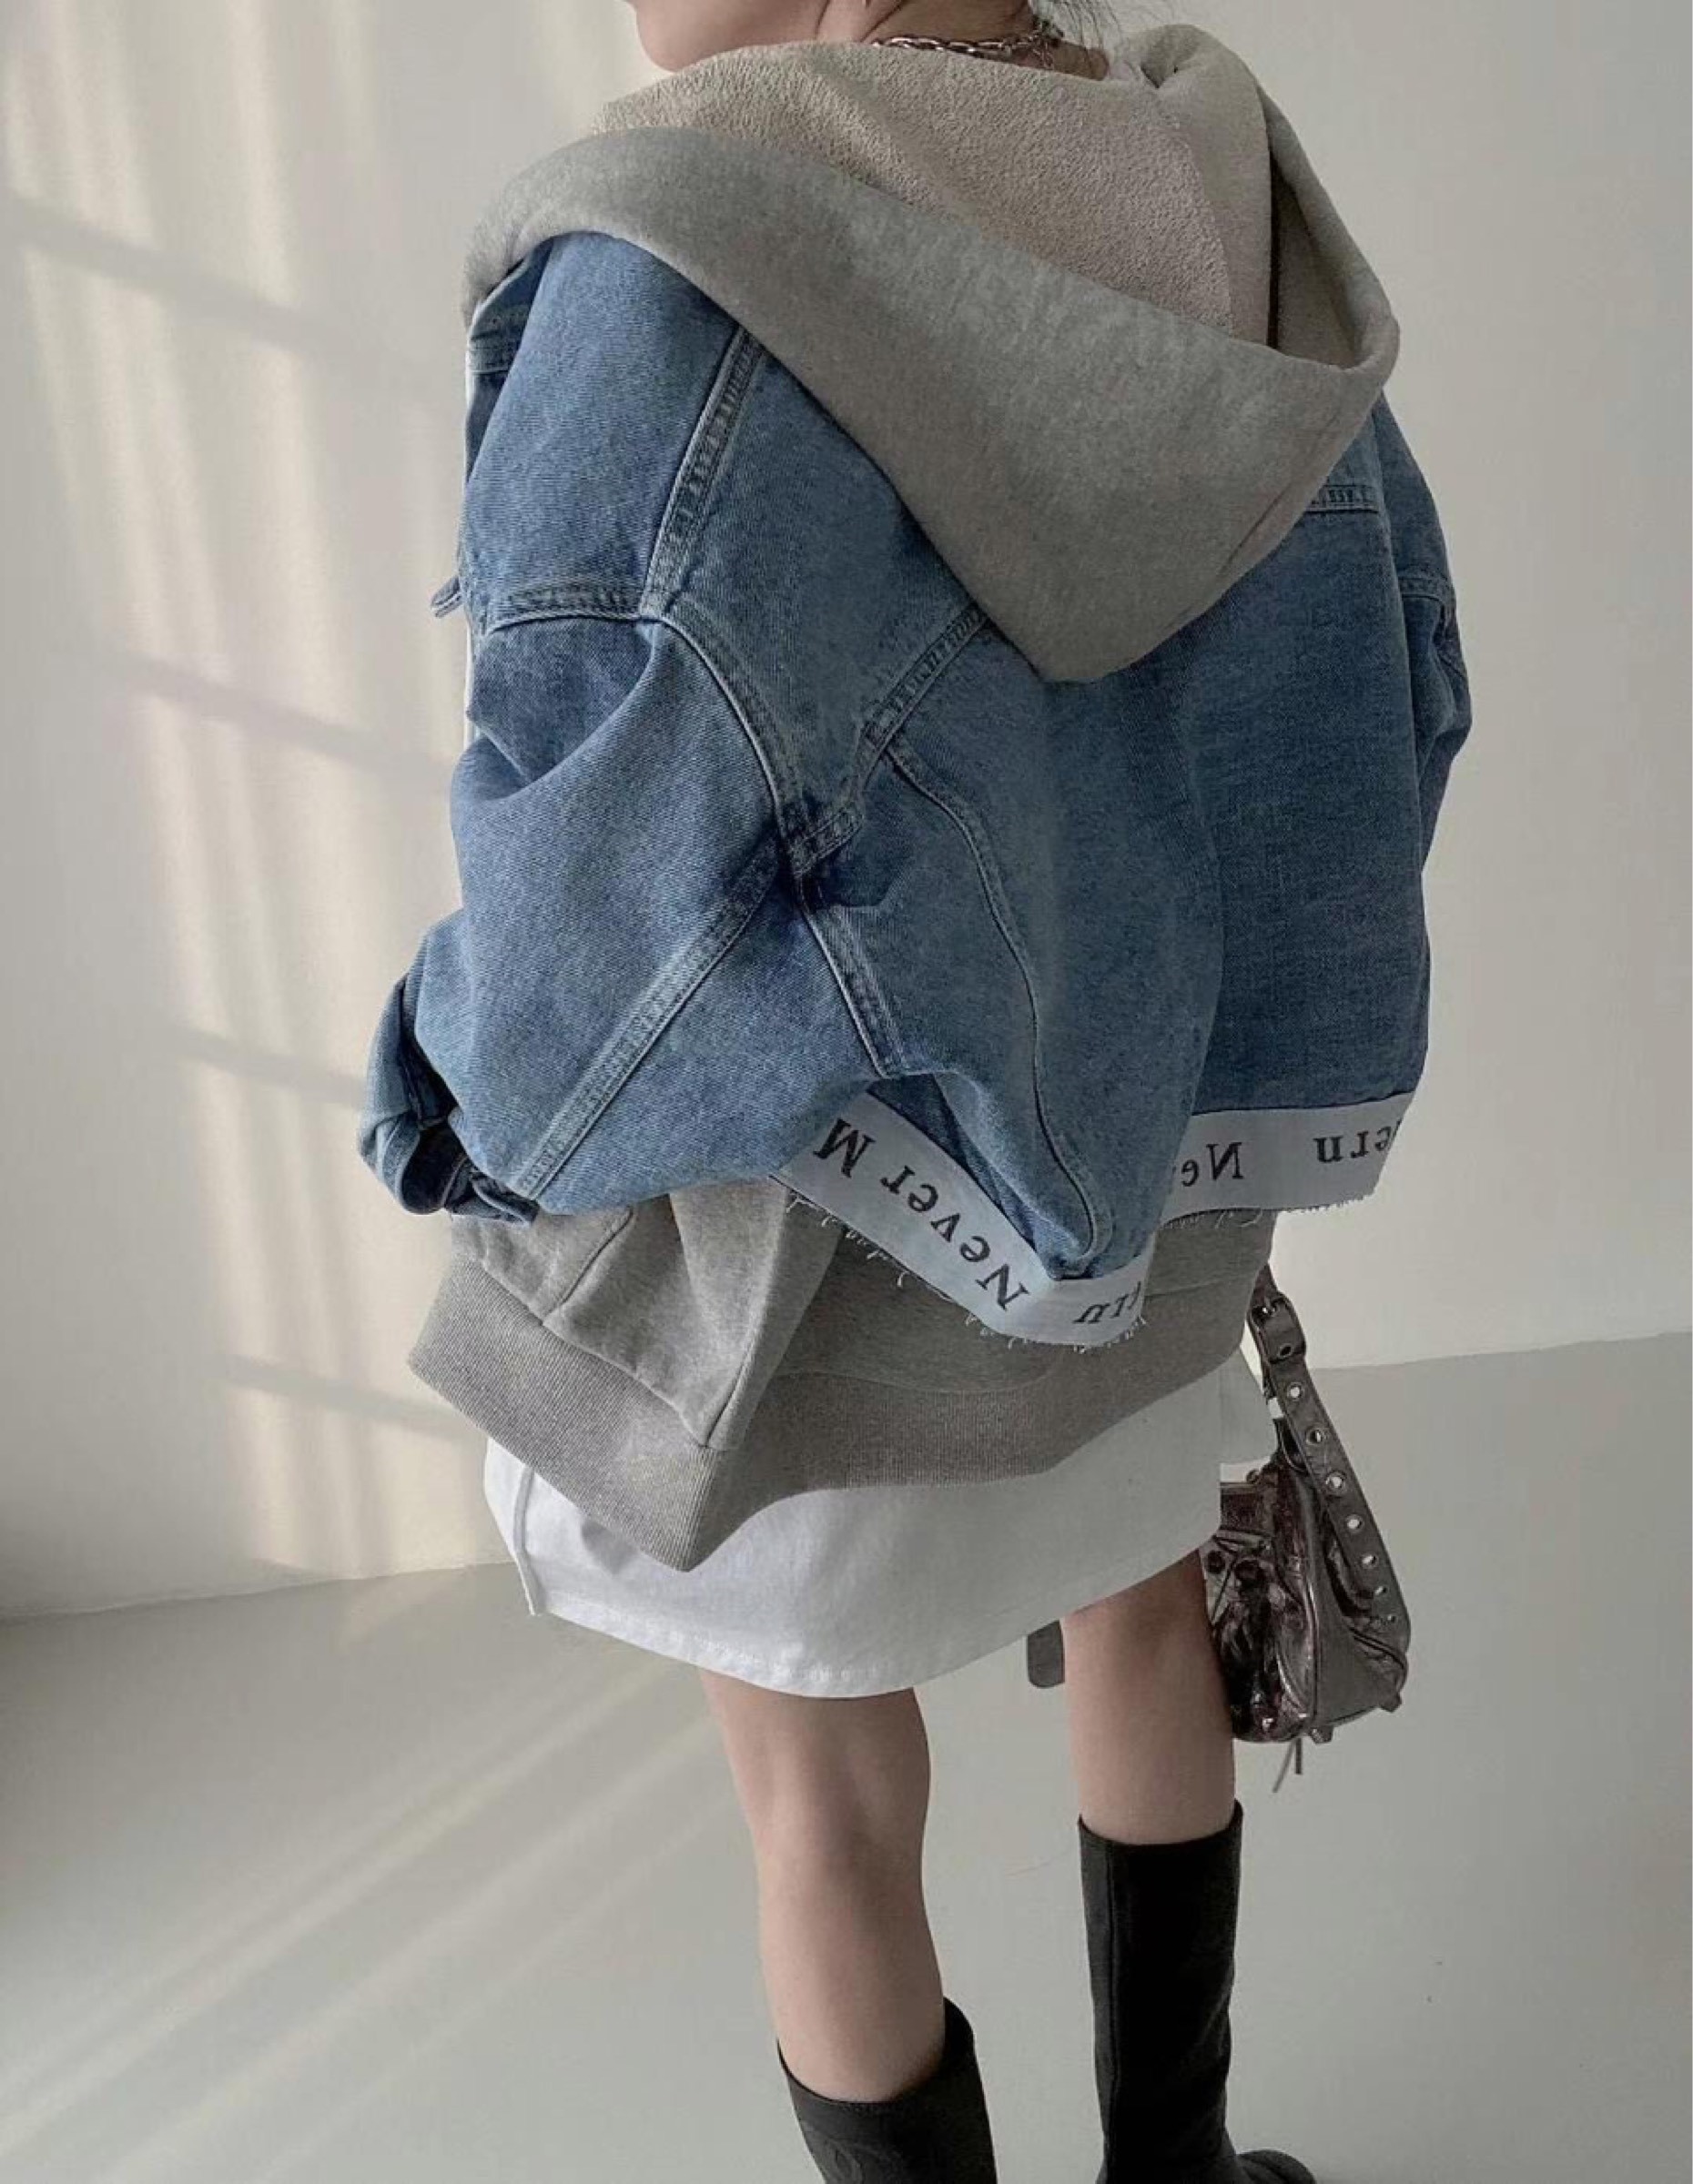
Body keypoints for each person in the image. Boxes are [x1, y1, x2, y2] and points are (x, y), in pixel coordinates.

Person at [356, 0, 1473, 2175]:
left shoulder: (677, 248)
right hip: (1137, 1203)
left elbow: (596, 898)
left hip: (796, 1258)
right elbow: (1389, 693)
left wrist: (453, 1094)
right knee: (1143, 1615)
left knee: (823, 1800)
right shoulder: (1222, 203)